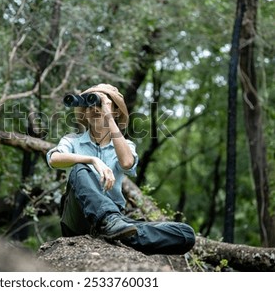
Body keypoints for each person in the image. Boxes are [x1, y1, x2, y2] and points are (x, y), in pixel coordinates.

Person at [47, 83, 196, 255]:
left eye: (100, 103)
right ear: (84, 113)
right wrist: (92, 159)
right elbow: (54, 159)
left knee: (185, 234)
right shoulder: (72, 140)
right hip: (79, 219)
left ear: (116, 111)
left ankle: (119, 232)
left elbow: (126, 163)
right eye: (89, 104)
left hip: (118, 220)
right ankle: (112, 224)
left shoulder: (125, 145)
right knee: (79, 169)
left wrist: (109, 117)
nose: (94, 108)